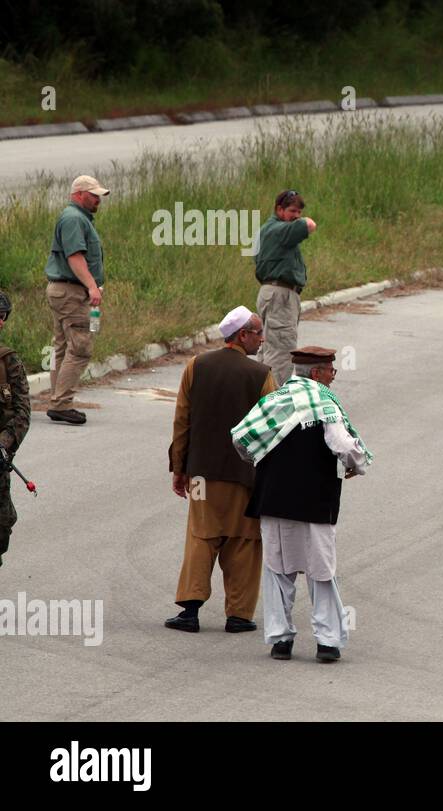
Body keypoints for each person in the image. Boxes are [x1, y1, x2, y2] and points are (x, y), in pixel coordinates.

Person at [233, 346, 372, 662]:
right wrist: (357, 465)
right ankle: (327, 641)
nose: (333, 378)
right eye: (331, 372)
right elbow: (343, 446)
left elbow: (242, 440)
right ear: (318, 373)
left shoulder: (272, 402)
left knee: (277, 569)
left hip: (273, 498)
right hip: (315, 500)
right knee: (321, 571)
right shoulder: (323, 404)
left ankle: (281, 640)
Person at [165, 306, 276, 634]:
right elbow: (271, 429)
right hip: (244, 477)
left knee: (201, 536)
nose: (262, 338)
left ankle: (190, 610)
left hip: (200, 475)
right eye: (257, 332)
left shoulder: (196, 366)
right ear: (242, 335)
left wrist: (178, 468)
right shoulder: (261, 374)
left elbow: (182, 420)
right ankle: (239, 616)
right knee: (244, 540)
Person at [44, 175, 109, 425]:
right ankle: (61, 403)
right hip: (71, 292)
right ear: (79, 194)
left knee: (61, 346)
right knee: (80, 347)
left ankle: (57, 399)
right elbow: (75, 258)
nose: (98, 200)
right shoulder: (73, 219)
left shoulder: (78, 218)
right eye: (94, 195)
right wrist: (92, 286)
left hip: (63, 291)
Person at [254, 190, 317, 385]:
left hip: (272, 294)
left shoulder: (268, 230)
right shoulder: (278, 230)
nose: (297, 216)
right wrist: (301, 221)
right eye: (292, 211)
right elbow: (309, 225)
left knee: (267, 350)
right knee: (281, 353)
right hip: (280, 296)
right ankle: (275, 403)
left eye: (299, 212)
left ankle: (260, 400)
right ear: (279, 209)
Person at [0, 292, 31, 568]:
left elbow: (23, 412)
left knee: (1, 528)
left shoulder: (8, 361)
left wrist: (5, 442)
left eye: (2, 316)